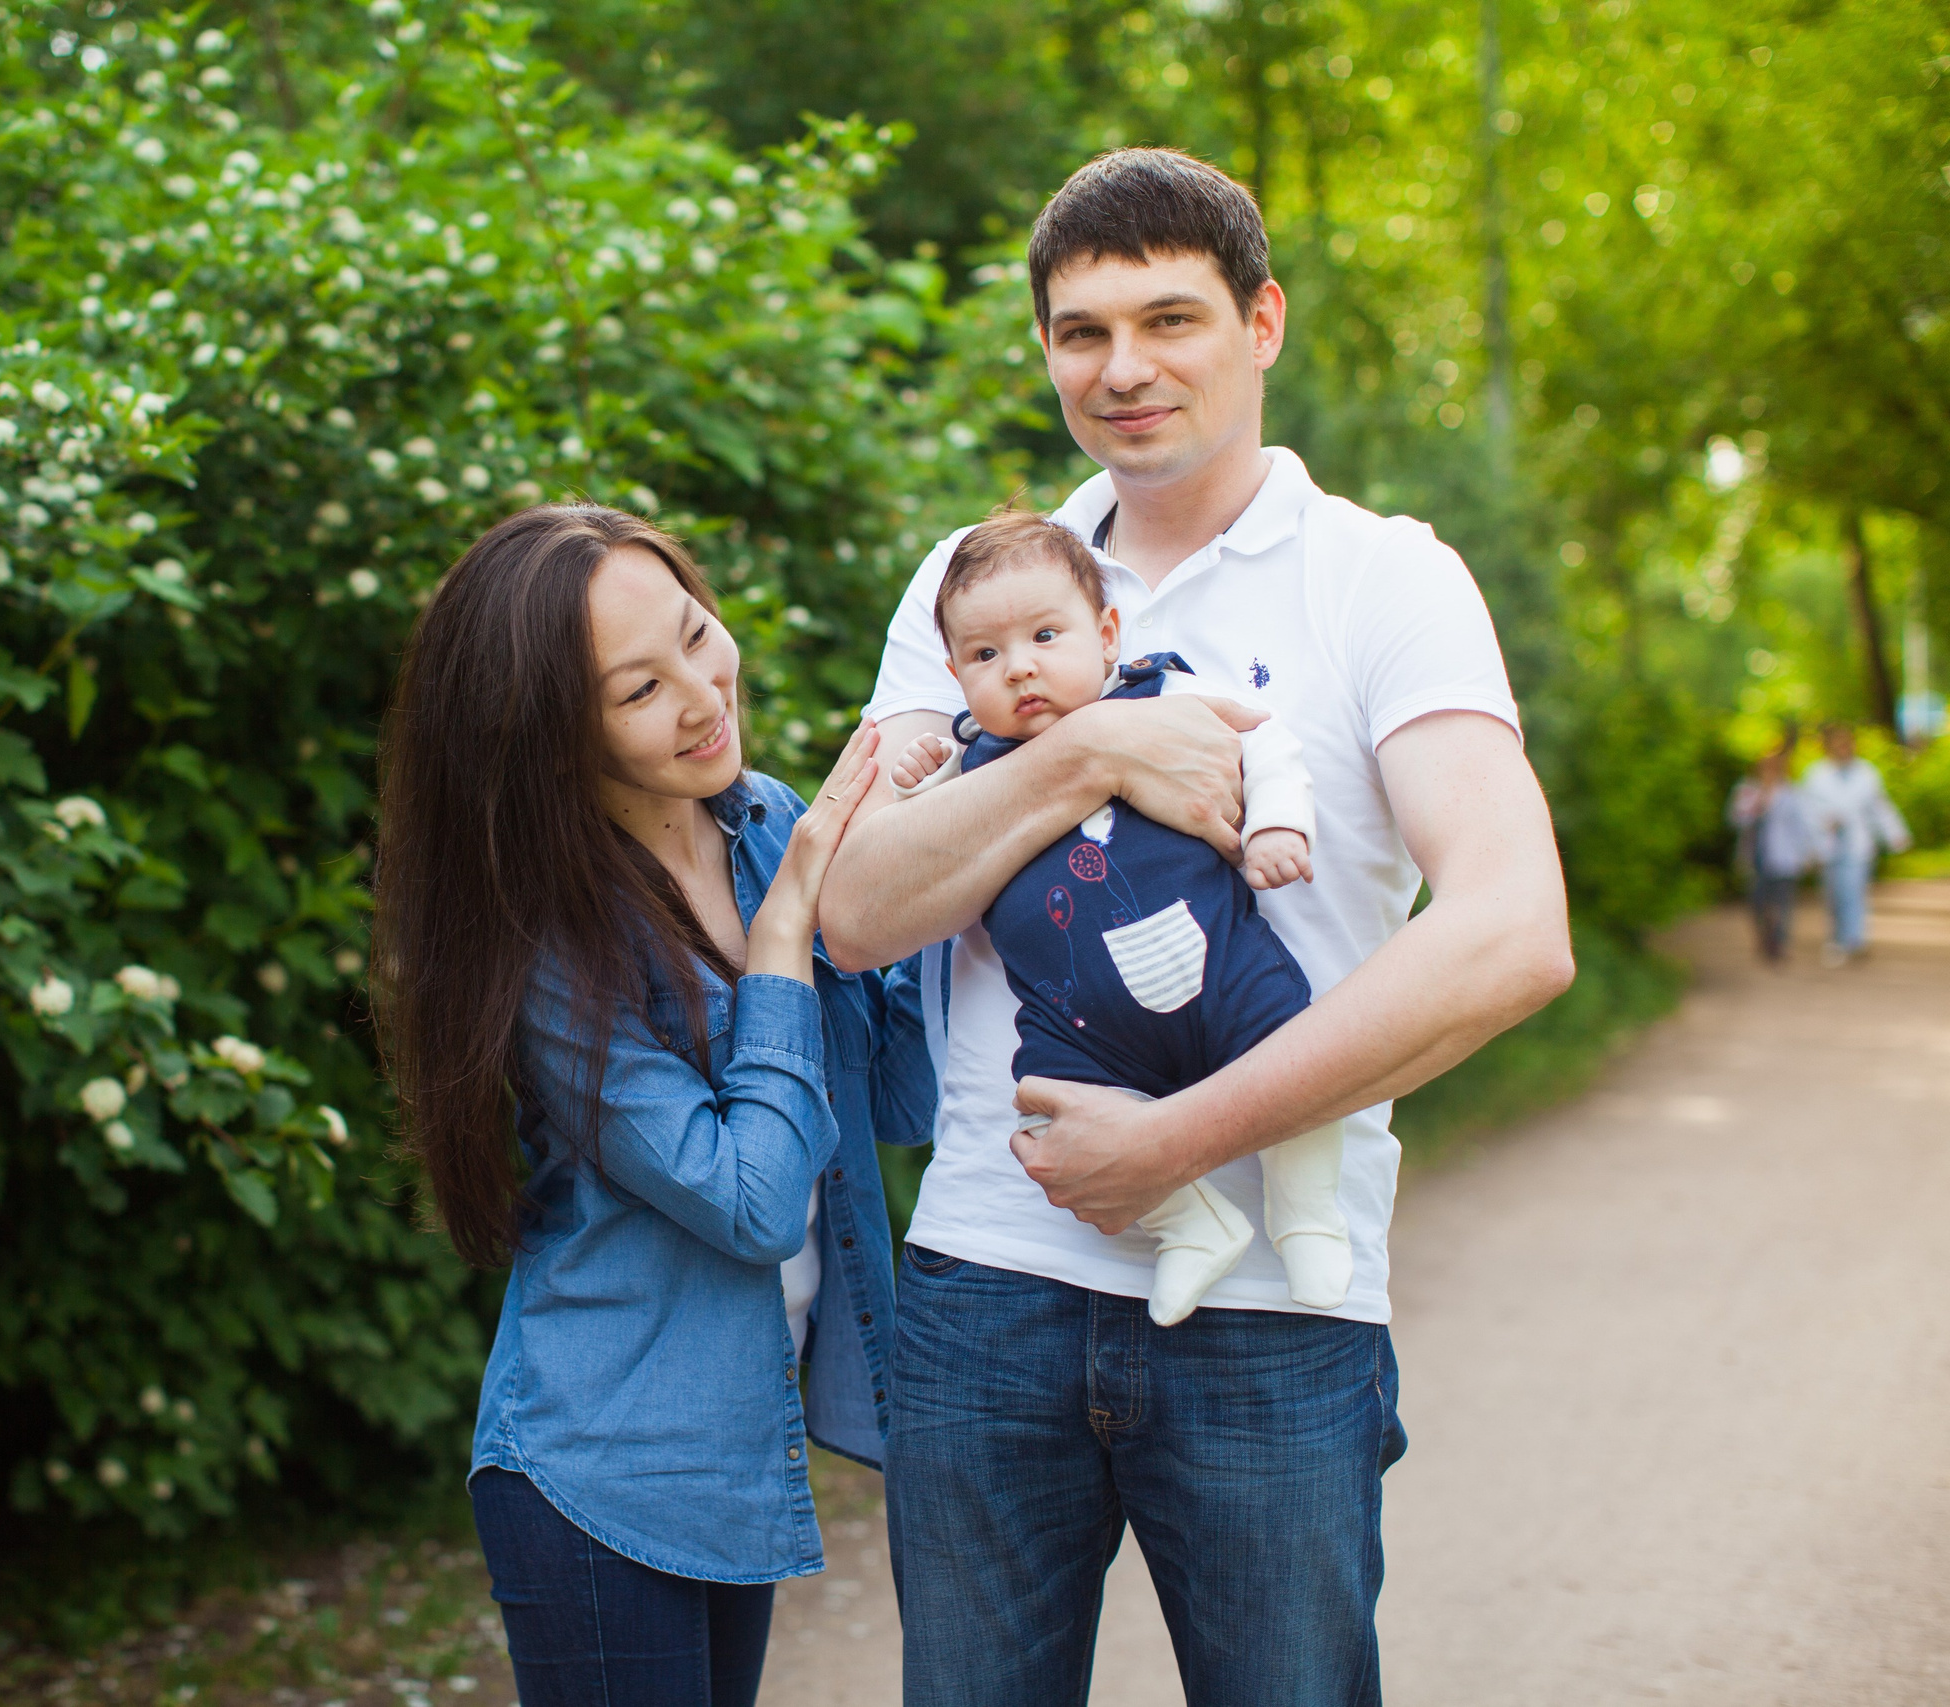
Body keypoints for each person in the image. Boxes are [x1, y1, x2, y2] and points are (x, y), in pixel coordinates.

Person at [819, 147, 1576, 1706]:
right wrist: (1093, 748)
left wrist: (1180, 1143)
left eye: (1171, 319)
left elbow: (1514, 929)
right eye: (1082, 331)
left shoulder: (1385, 580)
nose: (1125, 368)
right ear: (1043, 351)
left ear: (1264, 321)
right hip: (983, 1286)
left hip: (1277, 1313)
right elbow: (857, 909)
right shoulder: (978, 585)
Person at [369, 504, 933, 1707]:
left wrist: (950, 864)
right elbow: (755, 1202)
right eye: (639, 689)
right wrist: (785, 941)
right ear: (548, 740)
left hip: (728, 1459)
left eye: (695, 632)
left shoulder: (769, 821)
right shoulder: (549, 950)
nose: (701, 692)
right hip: (600, 1478)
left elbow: (898, 1094)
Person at [888, 508, 1350, 1324]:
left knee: (1291, 1046)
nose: (1020, 669)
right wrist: (921, 774)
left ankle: (1308, 1216)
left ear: (1105, 633)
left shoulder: (1161, 691)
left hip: (1215, 970)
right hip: (1077, 1022)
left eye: (1044, 636)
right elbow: (906, 852)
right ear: (957, 675)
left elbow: (1263, 743)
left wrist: (1279, 822)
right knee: (1040, 1112)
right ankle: (1190, 1225)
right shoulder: (974, 759)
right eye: (986, 656)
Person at [1797, 721, 1911, 966]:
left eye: (1847, 743)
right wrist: (1819, 828)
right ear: (1828, 747)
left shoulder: (1866, 773)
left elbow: (1880, 807)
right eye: (1838, 744)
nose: (1843, 748)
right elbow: (1805, 812)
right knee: (1834, 894)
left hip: (1857, 844)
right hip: (1826, 843)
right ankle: (1837, 938)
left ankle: (1854, 940)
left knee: (1855, 891)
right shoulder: (1815, 774)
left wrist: (1895, 834)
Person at [1726, 748, 1814, 962]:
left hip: (1785, 857)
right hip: (1756, 856)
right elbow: (1736, 819)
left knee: (1783, 902)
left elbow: (1802, 825)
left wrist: (1808, 853)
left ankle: (1779, 943)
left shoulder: (1791, 792)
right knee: (1757, 901)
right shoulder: (1747, 790)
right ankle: (1764, 937)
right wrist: (1760, 801)